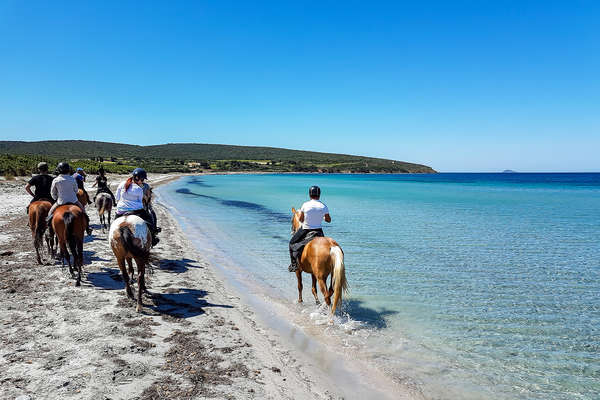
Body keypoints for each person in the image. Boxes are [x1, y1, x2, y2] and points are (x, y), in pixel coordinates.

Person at [288, 185, 331, 272]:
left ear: (310, 195)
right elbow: (328, 220)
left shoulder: (305, 205)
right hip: (319, 231)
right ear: (319, 195)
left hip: (306, 229)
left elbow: (301, 219)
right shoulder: (323, 206)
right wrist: (322, 217)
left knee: (291, 243)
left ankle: (294, 264)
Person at [115, 168, 160, 246]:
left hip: (121, 210)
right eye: (142, 180)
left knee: (115, 224)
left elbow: (117, 197)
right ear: (139, 179)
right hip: (136, 211)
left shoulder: (122, 183)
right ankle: (153, 236)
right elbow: (140, 204)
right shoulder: (139, 189)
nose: (142, 182)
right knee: (150, 219)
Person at [47, 162, 92, 235]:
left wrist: (55, 198)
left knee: (50, 213)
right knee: (84, 212)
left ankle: (50, 231)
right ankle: (87, 228)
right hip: (74, 201)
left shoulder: (56, 180)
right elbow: (76, 190)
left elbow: (53, 193)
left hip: (60, 202)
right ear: (68, 170)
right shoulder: (72, 179)